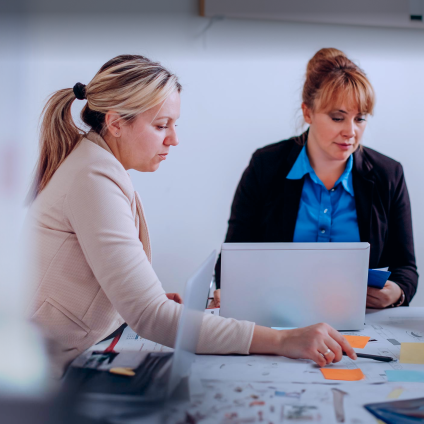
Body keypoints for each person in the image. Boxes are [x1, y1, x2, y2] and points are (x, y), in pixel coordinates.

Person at [25, 54, 356, 378]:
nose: (174, 139)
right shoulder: (93, 179)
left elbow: (108, 293)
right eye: (160, 125)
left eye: (174, 124)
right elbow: (150, 317)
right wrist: (284, 339)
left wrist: (135, 301)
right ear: (114, 123)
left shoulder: (93, 164)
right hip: (44, 374)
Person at [212, 48, 418, 310]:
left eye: (360, 118)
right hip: (278, 317)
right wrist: (227, 289)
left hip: (362, 322)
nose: (351, 132)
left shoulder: (388, 174)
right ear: (307, 113)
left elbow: (406, 268)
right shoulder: (265, 166)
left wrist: (396, 292)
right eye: (337, 117)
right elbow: (233, 257)